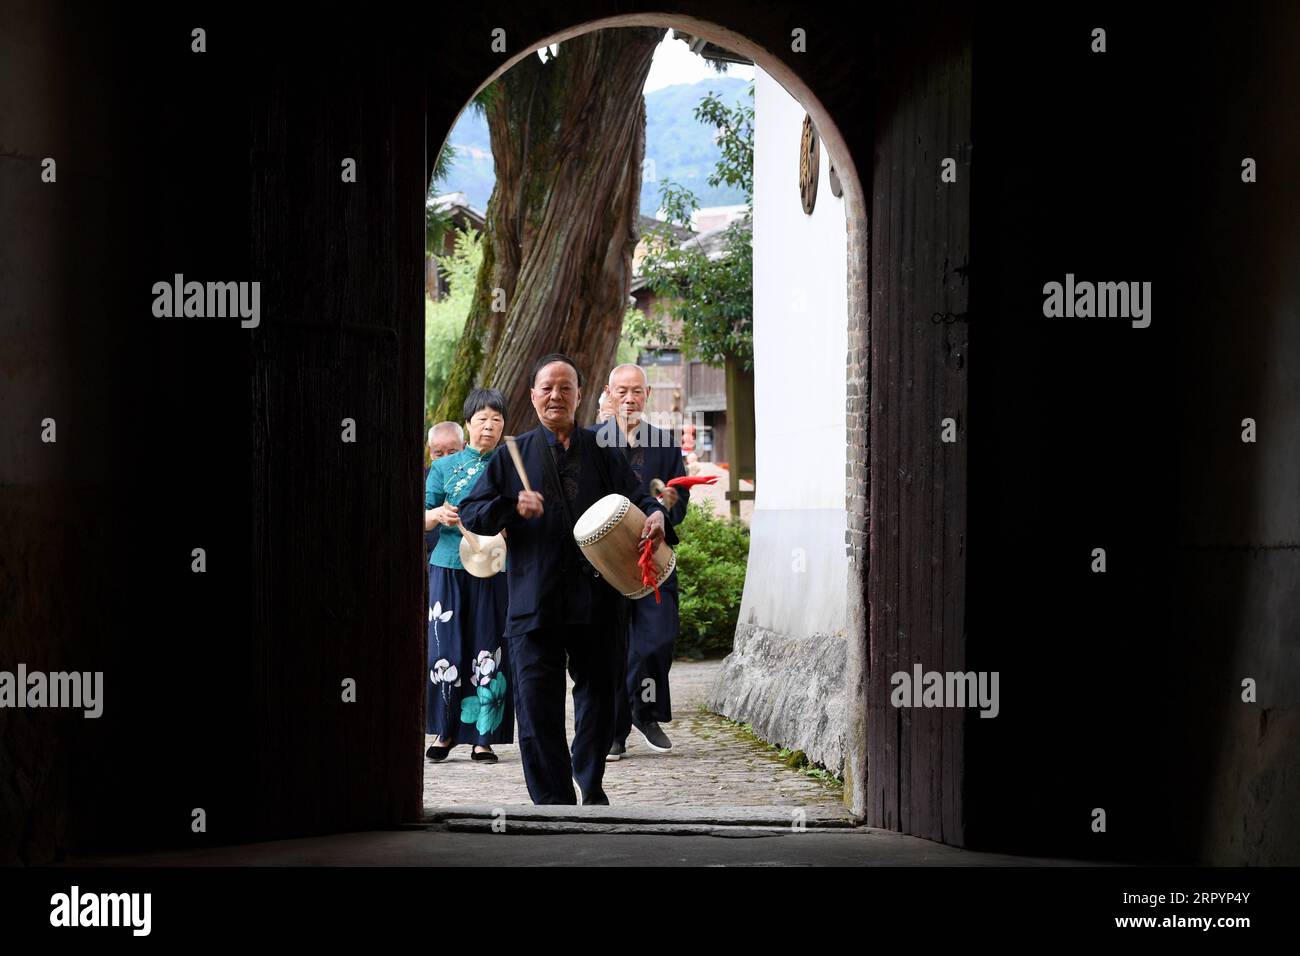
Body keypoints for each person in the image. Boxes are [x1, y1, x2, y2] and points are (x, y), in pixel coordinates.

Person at [458, 353, 673, 805]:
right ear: (533, 395)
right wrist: (512, 505)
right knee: (537, 708)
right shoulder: (510, 455)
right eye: (547, 388)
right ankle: (552, 803)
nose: (556, 395)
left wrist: (654, 514)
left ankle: (590, 781)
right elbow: (473, 512)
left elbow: (638, 498)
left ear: (579, 395)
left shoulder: (602, 451)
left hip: (597, 598)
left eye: (565, 388)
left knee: (599, 700)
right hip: (534, 600)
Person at [591, 364, 689, 759]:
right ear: (608, 393)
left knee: (657, 638)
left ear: (647, 394)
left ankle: (642, 711)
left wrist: (661, 513)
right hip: (606, 559)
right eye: (621, 391)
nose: (629, 398)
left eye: (637, 391)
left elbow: (676, 495)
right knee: (613, 645)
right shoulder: (591, 442)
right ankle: (615, 730)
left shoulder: (664, 443)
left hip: (654, 554)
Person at [424, 392, 512, 763]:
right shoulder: (445, 467)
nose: (488, 425)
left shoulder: (509, 465)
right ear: (468, 425)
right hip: (447, 565)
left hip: (492, 569)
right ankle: (445, 732)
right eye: (481, 419)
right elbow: (421, 516)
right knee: (446, 648)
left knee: (487, 647)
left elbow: (523, 515)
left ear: (503, 425)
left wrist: (508, 529)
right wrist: (437, 515)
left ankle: (483, 738)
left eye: (496, 419)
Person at [424, 422, 466, 563]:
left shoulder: (477, 476)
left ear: (464, 447)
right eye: (439, 454)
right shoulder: (420, 480)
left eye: (452, 453)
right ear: (431, 453)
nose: (446, 460)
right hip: (432, 561)